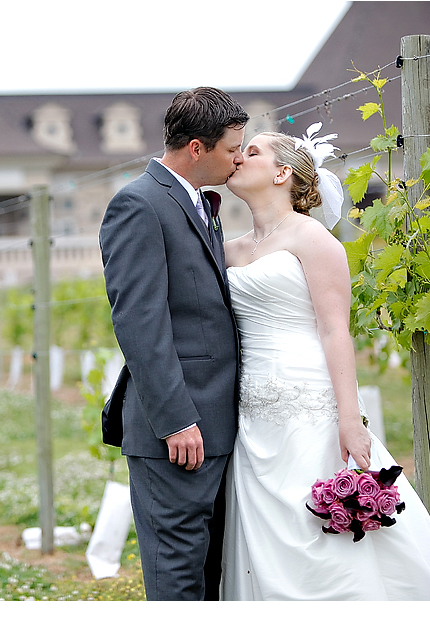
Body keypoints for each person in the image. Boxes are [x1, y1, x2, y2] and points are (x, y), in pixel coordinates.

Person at [219, 125, 430, 600]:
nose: (237, 158)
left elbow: (335, 331)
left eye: (251, 151)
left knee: (319, 520)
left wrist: (350, 419)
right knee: (266, 527)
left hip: (310, 401)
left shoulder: (314, 240)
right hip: (250, 410)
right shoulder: (230, 249)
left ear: (283, 172)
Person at [99, 87, 248, 601]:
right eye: (233, 149)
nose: (238, 160)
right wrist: (177, 420)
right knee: (177, 579)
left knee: (209, 576)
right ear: (197, 149)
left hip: (219, 427)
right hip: (178, 434)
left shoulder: (201, 204)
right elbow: (140, 322)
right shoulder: (137, 205)